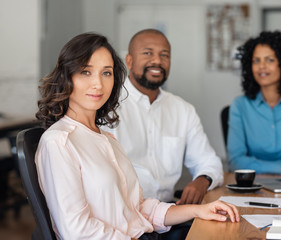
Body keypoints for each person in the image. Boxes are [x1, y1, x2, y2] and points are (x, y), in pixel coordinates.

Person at [35, 33, 239, 240]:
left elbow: (138, 208)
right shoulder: (59, 142)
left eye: (106, 73)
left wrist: (199, 210)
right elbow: (77, 231)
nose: (98, 83)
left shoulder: (107, 140)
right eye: (86, 72)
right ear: (66, 77)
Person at [105, 29, 223, 204]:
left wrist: (202, 180)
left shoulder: (183, 110)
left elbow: (209, 161)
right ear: (129, 61)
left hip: (169, 215)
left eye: (165, 55)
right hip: (125, 217)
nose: (157, 61)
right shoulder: (108, 107)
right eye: (147, 53)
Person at [227, 30, 281, 177]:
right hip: (251, 185)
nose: (262, 66)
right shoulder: (240, 105)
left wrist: (256, 165)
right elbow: (235, 161)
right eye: (256, 60)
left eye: (269, 60)